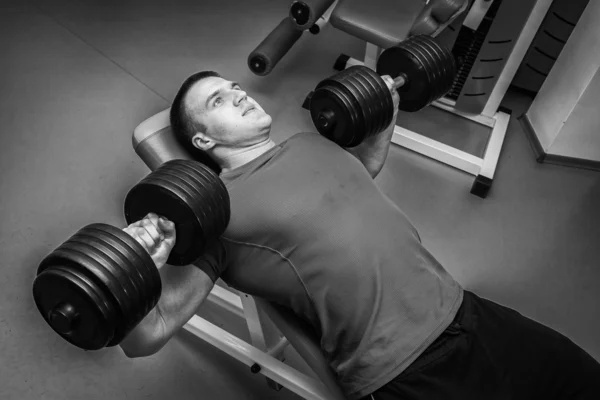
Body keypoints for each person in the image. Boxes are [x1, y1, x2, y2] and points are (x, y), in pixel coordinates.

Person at [119, 71, 600, 400]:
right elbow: (148, 335)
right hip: (409, 369)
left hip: (467, 312)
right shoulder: (214, 214)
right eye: (218, 101)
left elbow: (358, 176)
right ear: (203, 140)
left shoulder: (308, 142)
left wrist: (385, 119)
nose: (240, 94)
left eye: (235, 86)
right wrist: (142, 264)